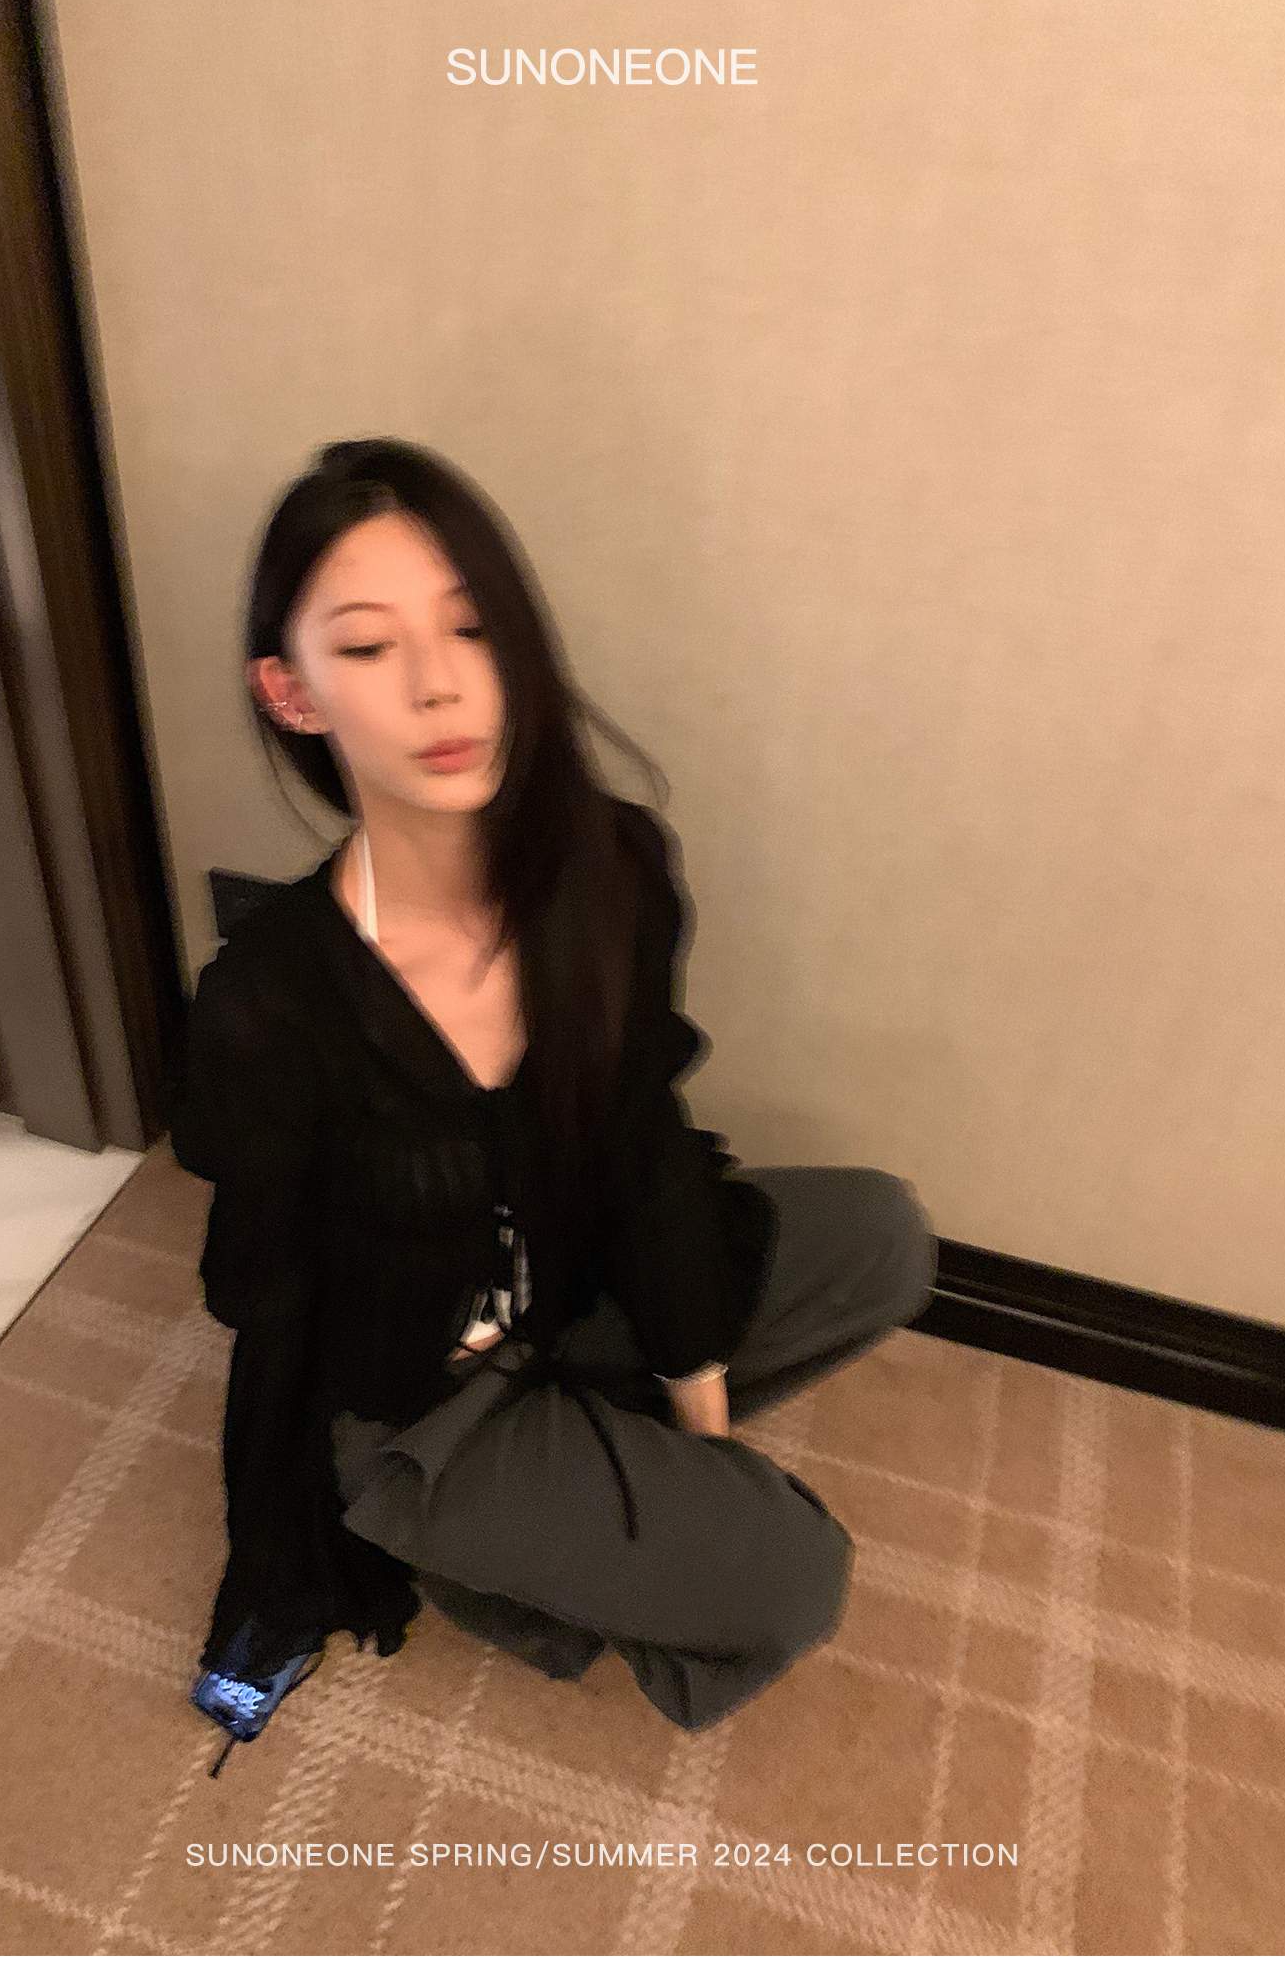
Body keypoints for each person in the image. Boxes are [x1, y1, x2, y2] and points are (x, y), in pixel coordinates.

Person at [169, 436, 937, 1737]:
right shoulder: (265, 1000)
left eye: (471, 627)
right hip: (419, 1389)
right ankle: (454, 1524)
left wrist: (696, 1419)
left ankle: (583, 1443)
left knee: (880, 1236)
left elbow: (642, 1142)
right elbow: (271, 1312)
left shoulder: (609, 868)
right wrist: (284, 1566)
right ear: (292, 695)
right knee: (794, 1576)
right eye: (369, 647)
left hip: (574, 1289)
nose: (437, 684)